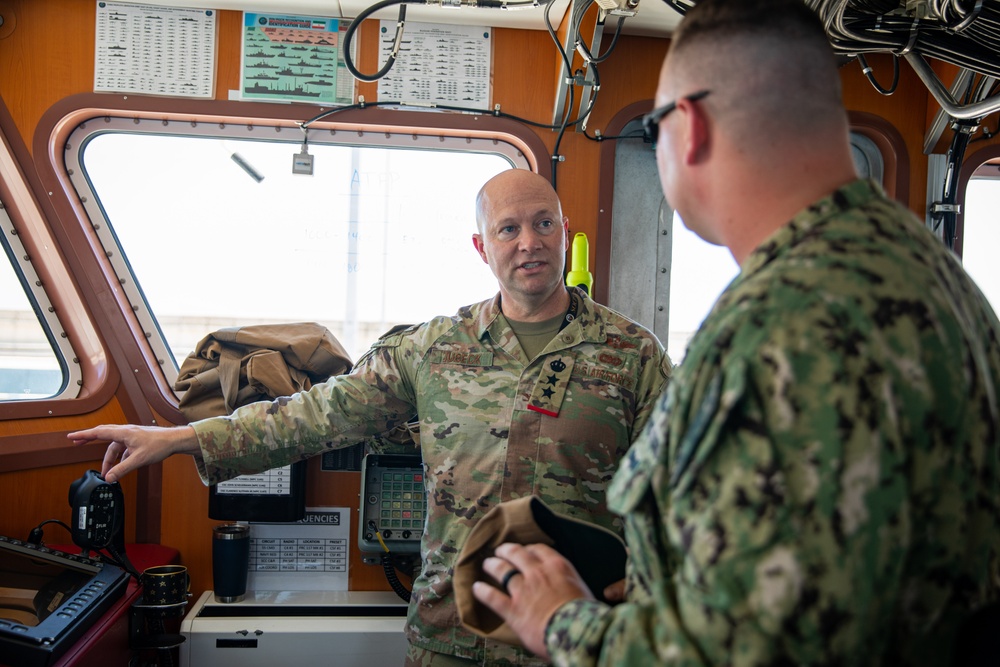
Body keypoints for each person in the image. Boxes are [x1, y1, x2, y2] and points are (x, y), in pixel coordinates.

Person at [472, 1, 1000, 665]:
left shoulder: (782, 327)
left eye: (653, 126)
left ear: (687, 127)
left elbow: (736, 651)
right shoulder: (930, 274)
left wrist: (561, 620)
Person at [70, 168, 672, 666]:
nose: (529, 243)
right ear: (481, 245)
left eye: (543, 224)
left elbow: (677, 492)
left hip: (576, 637)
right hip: (452, 636)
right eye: (507, 229)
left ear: (565, 231)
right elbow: (317, 416)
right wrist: (181, 438)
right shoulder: (434, 349)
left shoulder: (633, 354)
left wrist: (653, 590)